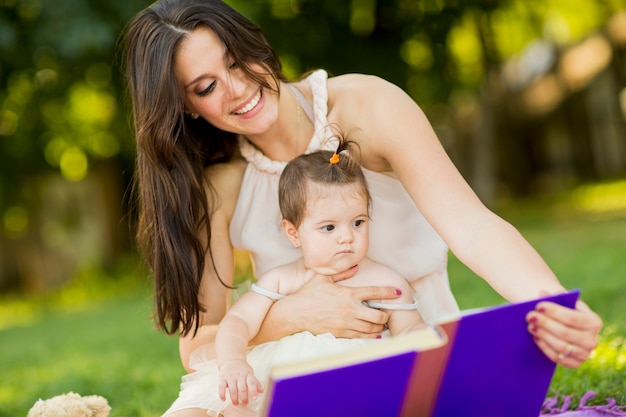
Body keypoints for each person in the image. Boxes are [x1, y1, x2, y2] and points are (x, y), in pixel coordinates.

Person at [120, 1, 603, 415]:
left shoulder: (364, 106)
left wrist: (553, 301)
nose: (237, 87)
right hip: (288, 363)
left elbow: (472, 227)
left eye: (236, 59)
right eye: (205, 87)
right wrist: (293, 315)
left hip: (405, 343)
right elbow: (200, 342)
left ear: (256, 42)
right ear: (184, 107)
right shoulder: (218, 184)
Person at [165, 138, 430, 416]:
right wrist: (233, 361)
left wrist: (420, 334)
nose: (346, 237)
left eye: (358, 222)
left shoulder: (385, 282)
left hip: (354, 384)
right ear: (293, 233)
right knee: (227, 408)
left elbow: (409, 329)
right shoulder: (284, 280)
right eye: (328, 227)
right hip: (281, 383)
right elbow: (238, 321)